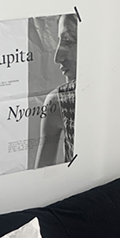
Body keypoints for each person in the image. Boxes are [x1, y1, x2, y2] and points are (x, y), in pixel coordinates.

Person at [35, 14, 78, 169]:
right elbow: (43, 174)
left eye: (68, 41)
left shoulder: (59, 100)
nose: (58, 57)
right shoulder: (60, 101)